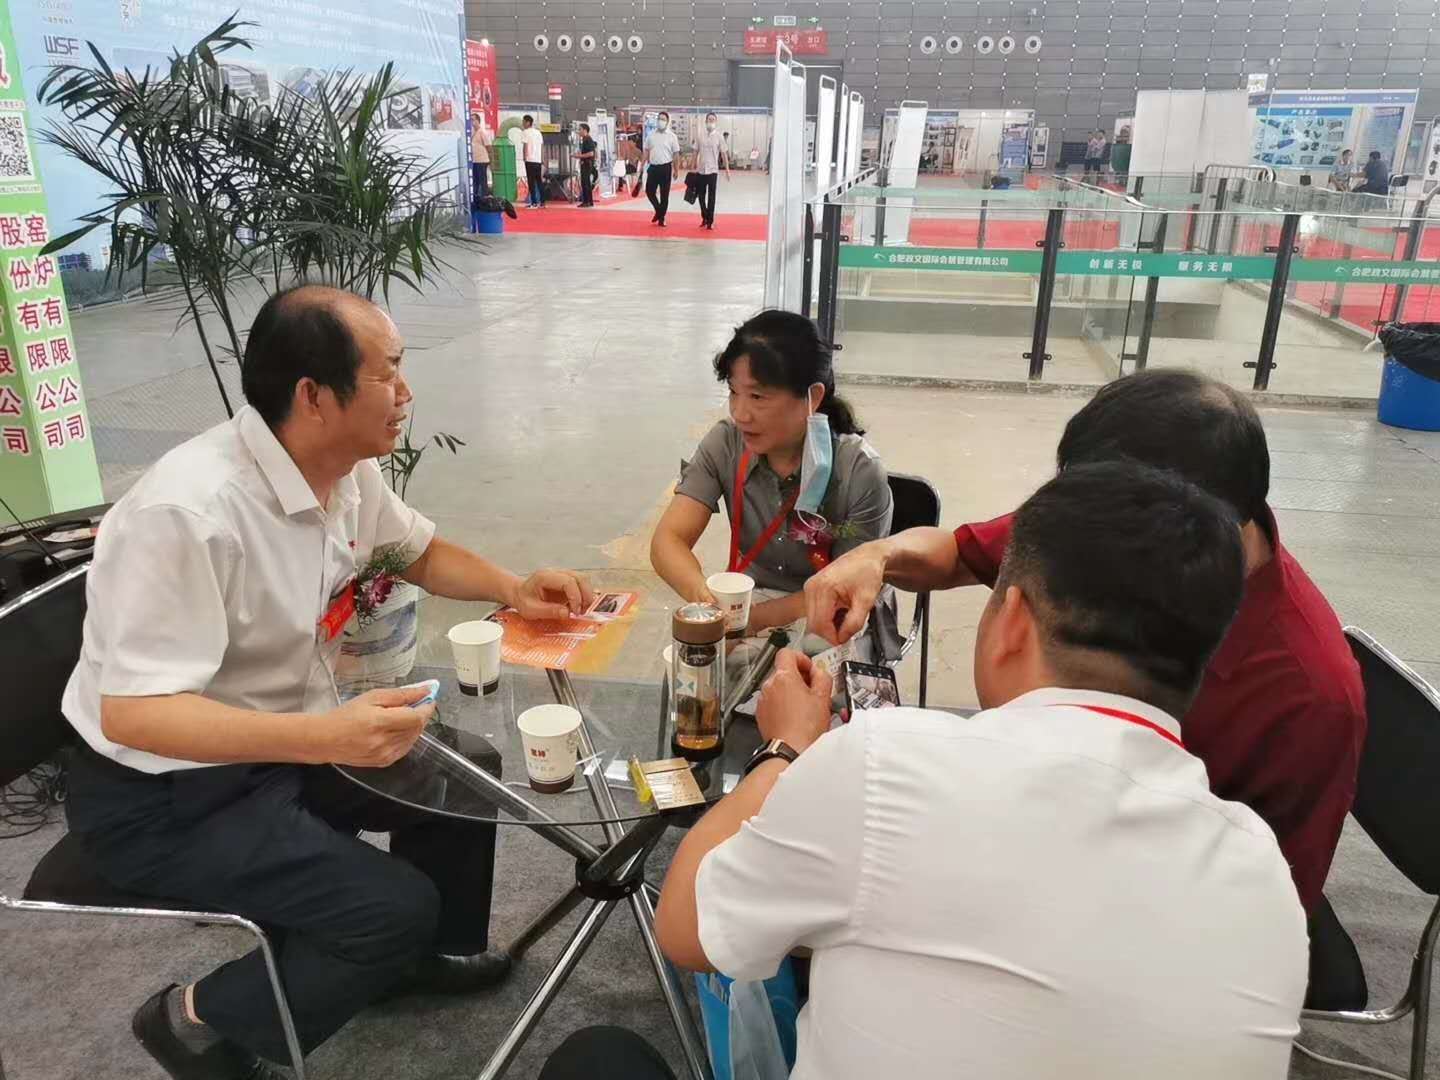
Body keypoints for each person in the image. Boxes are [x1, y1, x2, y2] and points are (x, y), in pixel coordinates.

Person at [62, 285, 594, 1080]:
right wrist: (323, 736)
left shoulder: (341, 470)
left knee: (465, 772)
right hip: (165, 794)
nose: (406, 393)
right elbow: (136, 714)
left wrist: (514, 587)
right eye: (388, 374)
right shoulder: (188, 514)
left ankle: (410, 961)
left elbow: (414, 552)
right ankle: (196, 1020)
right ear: (313, 395)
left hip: (281, 739)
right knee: (392, 907)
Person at [656, 461, 1308, 1079]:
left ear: (1013, 620)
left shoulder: (883, 765)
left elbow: (684, 926)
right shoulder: (1265, 881)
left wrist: (786, 751)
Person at [803, 369, 1365, 915]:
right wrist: (878, 555)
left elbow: (1267, 903)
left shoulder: (1309, 695)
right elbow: (958, 553)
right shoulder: (1106, 531)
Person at [650, 310, 892, 639]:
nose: (740, 413)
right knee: (695, 660)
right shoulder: (725, 443)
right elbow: (668, 541)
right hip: (752, 601)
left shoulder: (858, 471)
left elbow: (844, 590)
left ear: (813, 397)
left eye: (757, 397)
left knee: (802, 670)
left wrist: (753, 621)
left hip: (835, 614)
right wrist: (705, 598)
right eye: (733, 392)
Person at [641, 110, 680, 226]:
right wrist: (642, 164)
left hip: (666, 168)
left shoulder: (672, 136)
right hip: (653, 167)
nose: (660, 121)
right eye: (659, 119)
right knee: (649, 191)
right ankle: (659, 211)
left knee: (664, 195)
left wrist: (676, 169)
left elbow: (676, 154)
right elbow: (646, 151)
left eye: (663, 119)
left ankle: (661, 218)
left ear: (667, 122)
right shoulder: (651, 135)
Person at [692, 111, 730, 230]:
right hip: (701, 170)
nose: (711, 122)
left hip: (713, 170)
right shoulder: (700, 135)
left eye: (713, 120)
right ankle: (705, 216)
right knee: (701, 196)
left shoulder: (719, 137)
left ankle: (710, 221)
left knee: (711, 197)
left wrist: (727, 170)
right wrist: (693, 165)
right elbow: (695, 151)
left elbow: (723, 154)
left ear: (716, 122)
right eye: (709, 120)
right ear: (705, 121)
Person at [521, 114, 545, 208]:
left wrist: (524, 157)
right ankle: (542, 202)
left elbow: (525, 146)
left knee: (531, 182)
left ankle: (534, 202)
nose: (523, 124)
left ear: (528, 122)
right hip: (537, 160)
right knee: (539, 181)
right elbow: (542, 146)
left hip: (530, 159)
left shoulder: (525, 132)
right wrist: (541, 158)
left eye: (523, 122)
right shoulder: (538, 132)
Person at [470, 113, 492, 201]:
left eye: (473, 120)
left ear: (478, 121)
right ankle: (475, 198)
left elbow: (488, 146)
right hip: (475, 160)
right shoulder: (472, 132)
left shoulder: (482, 132)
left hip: (482, 160)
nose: (471, 122)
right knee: (475, 181)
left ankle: (485, 198)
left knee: (482, 181)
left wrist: (491, 160)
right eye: (470, 120)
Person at [575, 122, 597, 207]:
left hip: (587, 164)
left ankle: (587, 202)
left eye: (580, 129)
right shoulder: (585, 139)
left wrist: (579, 156)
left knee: (585, 183)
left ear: (585, 130)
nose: (579, 131)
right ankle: (588, 201)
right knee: (585, 183)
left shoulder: (588, 139)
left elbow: (591, 153)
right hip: (585, 163)